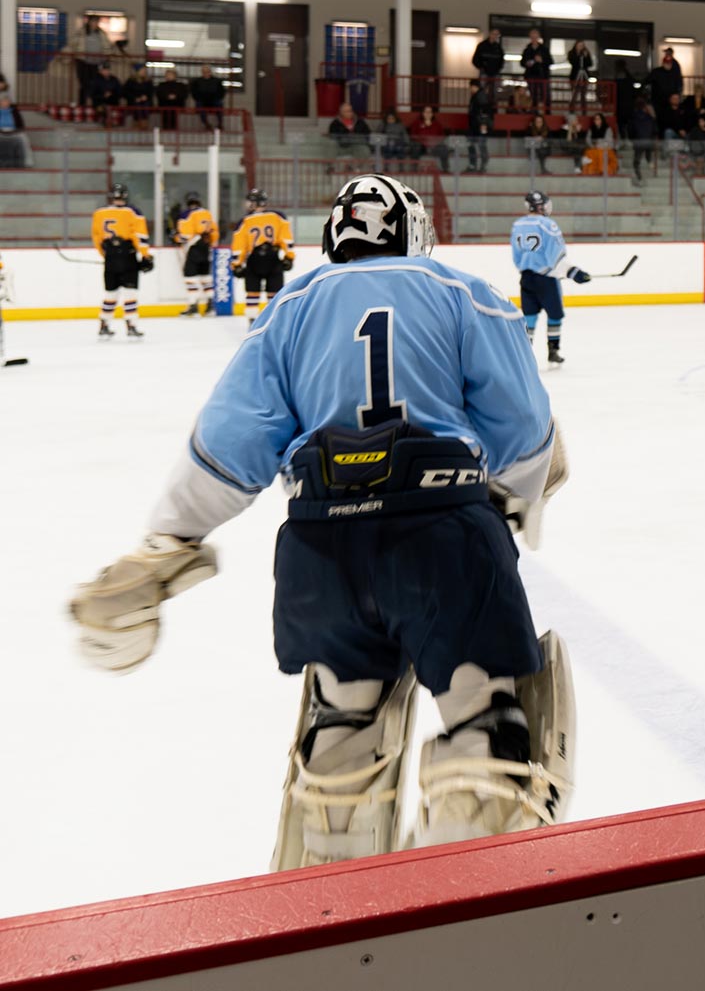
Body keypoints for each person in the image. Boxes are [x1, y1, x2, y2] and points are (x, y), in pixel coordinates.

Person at [66, 172, 573, 867]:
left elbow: (230, 440)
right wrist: (515, 495)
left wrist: (166, 542)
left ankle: (335, 880)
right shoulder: (461, 291)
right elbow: (524, 429)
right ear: (415, 231)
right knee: (486, 723)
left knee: (341, 731)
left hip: (317, 547)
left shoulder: (289, 306)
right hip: (442, 530)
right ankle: (470, 837)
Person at [512, 191, 594, 367]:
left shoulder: (518, 225)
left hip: (526, 278)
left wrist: (530, 269)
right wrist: (573, 272)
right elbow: (555, 255)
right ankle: (553, 351)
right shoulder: (548, 225)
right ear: (541, 206)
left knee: (529, 317)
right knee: (555, 315)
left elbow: (517, 257)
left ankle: (524, 355)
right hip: (547, 280)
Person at [92, 183, 152, 340]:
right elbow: (140, 236)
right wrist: (145, 255)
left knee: (110, 293)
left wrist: (107, 255)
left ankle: (104, 325)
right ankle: (131, 325)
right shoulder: (133, 212)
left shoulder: (99, 213)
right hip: (127, 256)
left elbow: (97, 238)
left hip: (111, 258)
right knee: (130, 292)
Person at [232, 189, 296, 323]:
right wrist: (289, 257)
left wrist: (236, 264)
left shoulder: (244, 221)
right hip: (273, 258)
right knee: (274, 294)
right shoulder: (278, 216)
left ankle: (253, 323)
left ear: (254, 203)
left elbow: (239, 246)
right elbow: (287, 239)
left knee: (252, 292)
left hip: (254, 260)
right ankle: (273, 323)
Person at [175, 191, 217, 318]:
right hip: (206, 248)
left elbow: (185, 236)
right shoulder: (207, 213)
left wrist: (175, 237)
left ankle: (193, 306)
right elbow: (214, 233)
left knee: (190, 277)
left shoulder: (186, 214)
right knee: (205, 277)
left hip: (194, 249)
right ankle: (210, 306)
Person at [466, 79, 496, 174]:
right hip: (475, 125)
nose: (470, 89)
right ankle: (475, 165)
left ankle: (481, 165)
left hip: (479, 126)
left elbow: (485, 111)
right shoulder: (477, 96)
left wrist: (483, 124)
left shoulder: (481, 96)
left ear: (475, 86)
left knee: (480, 145)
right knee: (473, 145)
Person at [519, 30, 553, 109]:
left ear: (538, 37)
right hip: (531, 75)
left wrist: (542, 60)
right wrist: (527, 63)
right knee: (533, 95)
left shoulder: (544, 49)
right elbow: (522, 63)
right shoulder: (527, 50)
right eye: (532, 37)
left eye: (535, 37)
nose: (534, 38)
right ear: (530, 38)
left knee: (545, 95)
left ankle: (547, 112)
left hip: (543, 75)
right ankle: (534, 111)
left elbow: (550, 61)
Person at [410, 105, 449, 170]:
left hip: (435, 146)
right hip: (421, 146)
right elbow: (413, 135)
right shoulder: (416, 123)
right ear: (422, 113)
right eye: (426, 112)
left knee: (444, 149)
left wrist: (435, 143)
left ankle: (445, 169)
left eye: (430, 112)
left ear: (432, 114)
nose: (428, 114)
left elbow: (442, 136)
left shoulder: (437, 124)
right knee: (415, 147)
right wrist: (421, 141)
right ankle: (414, 169)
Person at [190, 64, 226, 131]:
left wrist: (217, 97)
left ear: (210, 72)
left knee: (219, 104)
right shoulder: (197, 81)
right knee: (199, 105)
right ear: (202, 72)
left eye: (207, 71)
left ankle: (220, 123)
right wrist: (199, 98)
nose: (206, 73)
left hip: (214, 100)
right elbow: (194, 92)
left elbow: (221, 92)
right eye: (204, 71)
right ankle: (206, 124)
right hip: (202, 101)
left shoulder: (217, 81)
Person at [566, 39, 594, 106]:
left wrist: (586, 56)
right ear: (575, 45)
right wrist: (578, 55)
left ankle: (584, 111)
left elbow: (590, 64)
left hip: (584, 76)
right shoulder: (571, 53)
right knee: (574, 94)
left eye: (582, 45)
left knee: (583, 95)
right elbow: (573, 63)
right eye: (579, 45)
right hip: (575, 76)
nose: (580, 47)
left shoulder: (586, 53)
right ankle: (571, 110)